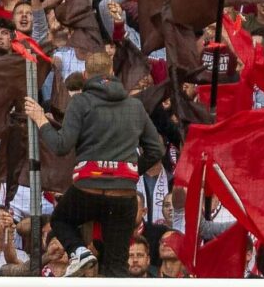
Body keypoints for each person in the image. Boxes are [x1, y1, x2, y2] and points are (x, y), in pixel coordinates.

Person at [26, 74, 165, 275]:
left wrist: (40, 119)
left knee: (61, 220)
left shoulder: (81, 101)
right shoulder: (135, 106)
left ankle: (79, 251)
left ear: (86, 80)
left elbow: (61, 146)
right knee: (117, 265)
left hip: (88, 187)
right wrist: (129, 173)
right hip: (123, 194)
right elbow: (156, 150)